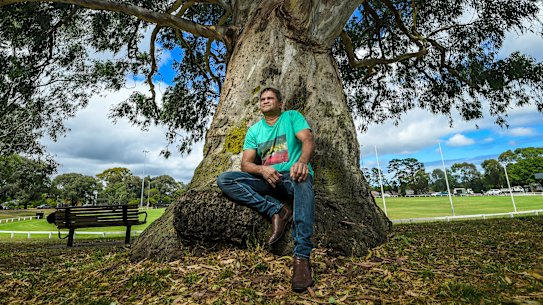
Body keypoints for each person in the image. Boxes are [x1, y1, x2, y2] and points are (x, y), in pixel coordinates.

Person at [217, 87, 316, 293]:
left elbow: (307, 139)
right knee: (226, 179)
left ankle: (301, 258)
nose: (265, 101)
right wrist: (262, 169)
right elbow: (246, 164)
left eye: (270, 98)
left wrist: (302, 163)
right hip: (268, 180)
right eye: (262, 99)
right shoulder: (254, 130)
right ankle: (276, 210)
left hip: (293, 177)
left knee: (303, 181)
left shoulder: (291, 117)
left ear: (280, 103)